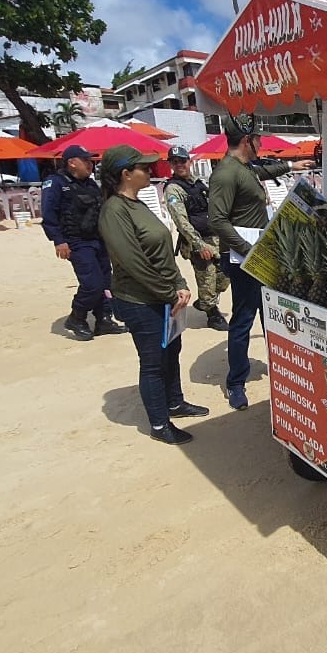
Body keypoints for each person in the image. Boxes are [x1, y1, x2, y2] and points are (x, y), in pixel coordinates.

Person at [98, 144, 209, 445]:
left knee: (171, 351)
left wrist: (180, 284)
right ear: (125, 174)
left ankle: (175, 402)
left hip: (164, 296)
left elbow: (162, 254)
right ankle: (160, 424)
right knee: (152, 361)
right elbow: (133, 263)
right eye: (143, 168)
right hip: (139, 300)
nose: (150, 171)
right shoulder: (114, 210)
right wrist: (168, 292)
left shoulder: (139, 204)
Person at [209, 114, 315, 411]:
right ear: (246, 141)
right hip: (244, 259)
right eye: (258, 139)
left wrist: (292, 166)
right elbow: (217, 220)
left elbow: (264, 170)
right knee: (243, 320)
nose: (261, 143)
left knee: (272, 316)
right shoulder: (225, 174)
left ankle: (282, 368)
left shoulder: (245, 167)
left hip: (260, 255)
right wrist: (246, 250)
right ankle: (236, 383)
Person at [41, 144, 126, 341]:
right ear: (72, 163)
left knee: (106, 282)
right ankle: (76, 317)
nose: (90, 164)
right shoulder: (55, 183)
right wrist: (58, 240)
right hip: (76, 242)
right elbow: (48, 214)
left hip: (97, 240)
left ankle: (104, 319)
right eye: (85, 161)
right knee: (92, 284)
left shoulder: (89, 184)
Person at [162, 146, 230, 332]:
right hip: (197, 242)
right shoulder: (173, 189)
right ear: (171, 165)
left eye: (182, 161)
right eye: (175, 162)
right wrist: (199, 245)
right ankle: (212, 313)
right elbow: (181, 221)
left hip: (216, 237)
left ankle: (206, 301)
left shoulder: (198, 184)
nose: (179, 165)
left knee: (225, 275)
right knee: (207, 278)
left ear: (189, 162)